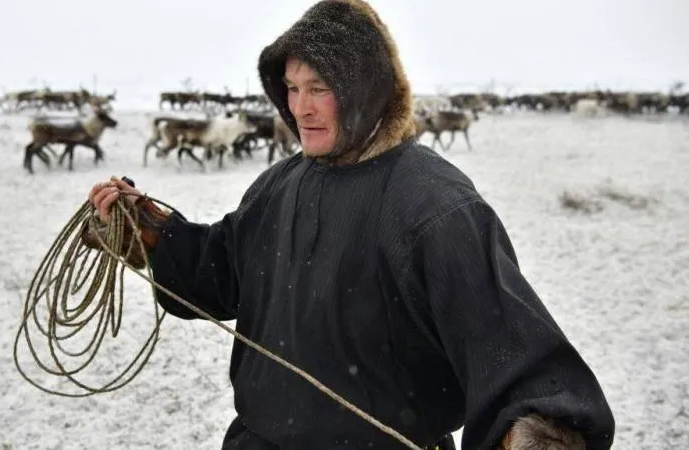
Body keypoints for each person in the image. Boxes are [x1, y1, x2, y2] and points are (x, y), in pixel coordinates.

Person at [83, 1, 615, 448]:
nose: (300, 109)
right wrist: (149, 231)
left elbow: (510, 343)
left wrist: (540, 428)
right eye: (291, 88)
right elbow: (219, 271)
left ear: (363, 88)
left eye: (319, 88)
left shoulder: (433, 202)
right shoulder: (279, 185)